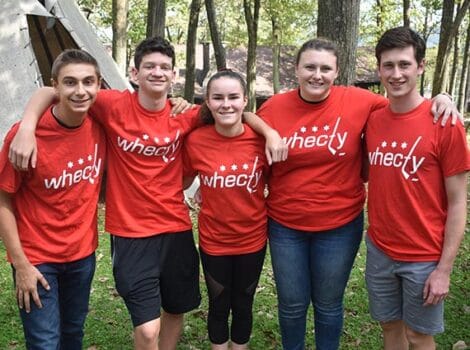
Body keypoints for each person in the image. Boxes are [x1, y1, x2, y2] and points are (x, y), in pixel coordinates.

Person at [7, 37, 285, 350]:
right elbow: (51, 90)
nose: (157, 72)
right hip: (131, 234)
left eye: (164, 67)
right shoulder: (110, 104)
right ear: (134, 72)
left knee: (175, 310)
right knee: (147, 330)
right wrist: (28, 126)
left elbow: (233, 109)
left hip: (176, 228)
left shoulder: (187, 114)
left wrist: (270, 132)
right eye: (149, 66)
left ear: (174, 74)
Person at [256, 37, 460, 350]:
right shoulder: (273, 107)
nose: (317, 74)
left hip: (340, 226)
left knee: (328, 305)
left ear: (337, 72)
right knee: (292, 305)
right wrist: (268, 131)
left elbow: (406, 104)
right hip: (286, 225)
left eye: (326, 68)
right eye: (309, 66)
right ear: (296, 69)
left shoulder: (361, 102)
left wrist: (442, 97)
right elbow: (240, 117)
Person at [365, 26, 469, 350]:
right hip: (380, 248)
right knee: (391, 328)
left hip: (424, 255)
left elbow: (458, 202)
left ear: (421, 66)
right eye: (388, 65)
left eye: (405, 64)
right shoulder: (372, 118)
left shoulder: (444, 123)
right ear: (379, 68)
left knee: (419, 336)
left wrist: (444, 270)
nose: (396, 74)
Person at [0, 49, 106, 349]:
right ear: (55, 86)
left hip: (82, 257)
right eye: (70, 82)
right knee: (45, 343)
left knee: (73, 336)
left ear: (99, 84)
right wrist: (21, 264)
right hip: (37, 259)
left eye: (88, 82)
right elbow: (2, 201)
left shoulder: (101, 126)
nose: (80, 90)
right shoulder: (23, 139)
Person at [183, 70, 269, 350]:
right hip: (214, 241)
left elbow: (278, 179)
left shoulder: (261, 139)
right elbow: (182, 179)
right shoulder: (196, 140)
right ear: (207, 102)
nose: (226, 104)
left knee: (243, 304)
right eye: (218, 97)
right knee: (219, 304)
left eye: (233, 97)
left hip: (253, 239)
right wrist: (201, 186)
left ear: (245, 101)